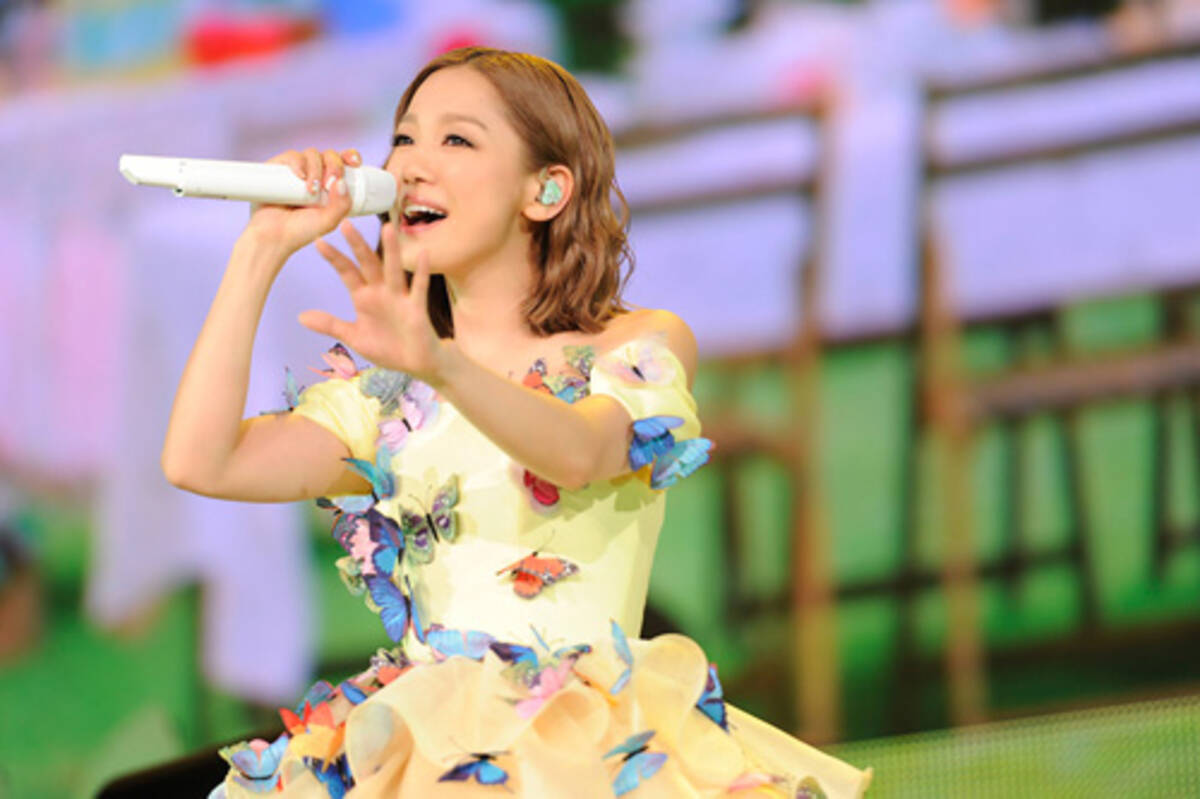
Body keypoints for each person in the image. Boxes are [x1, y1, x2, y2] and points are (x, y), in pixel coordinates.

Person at [162, 46, 871, 799]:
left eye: (456, 139)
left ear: (546, 189)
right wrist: (260, 248)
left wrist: (444, 367)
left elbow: (580, 452)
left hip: (587, 746)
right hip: (423, 747)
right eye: (403, 138)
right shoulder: (388, 395)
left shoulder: (637, 345)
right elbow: (201, 461)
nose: (412, 165)